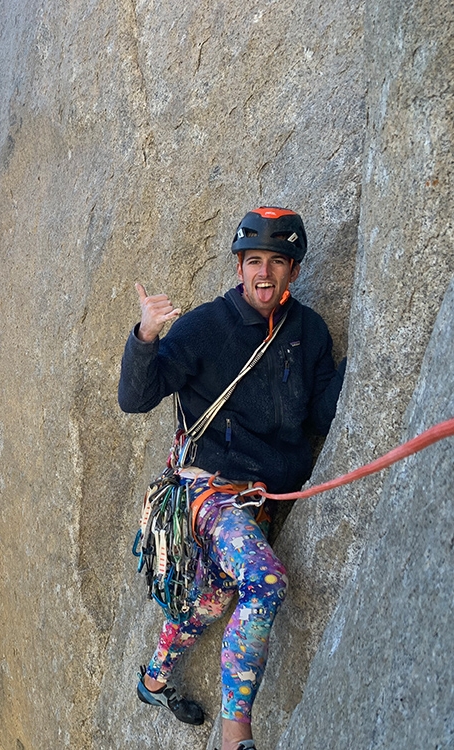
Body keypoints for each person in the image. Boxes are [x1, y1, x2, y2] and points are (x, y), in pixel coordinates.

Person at [117, 207, 345, 750]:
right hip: (207, 493)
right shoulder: (207, 327)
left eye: (278, 262)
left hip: (256, 503)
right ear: (240, 266)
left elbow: (320, 417)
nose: (264, 274)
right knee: (263, 581)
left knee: (215, 595)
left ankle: (152, 680)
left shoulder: (308, 333)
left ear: (292, 269)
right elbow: (135, 398)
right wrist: (146, 335)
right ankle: (234, 736)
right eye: (255, 261)